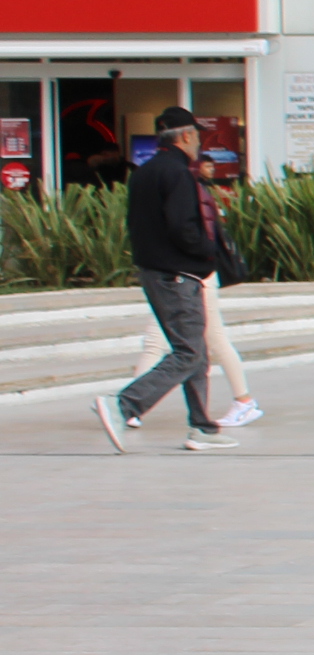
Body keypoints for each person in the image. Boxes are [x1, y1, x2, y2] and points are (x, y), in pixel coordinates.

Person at [96, 109, 232, 453]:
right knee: (188, 352)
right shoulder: (178, 174)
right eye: (197, 135)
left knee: (196, 351)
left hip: (155, 272)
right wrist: (207, 254)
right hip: (177, 275)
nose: (200, 141)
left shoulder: (143, 174)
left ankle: (201, 427)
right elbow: (183, 227)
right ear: (185, 137)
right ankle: (125, 405)